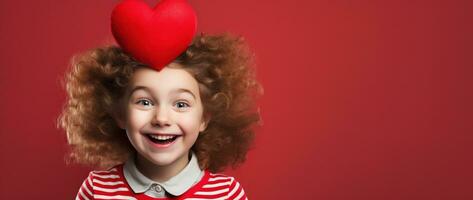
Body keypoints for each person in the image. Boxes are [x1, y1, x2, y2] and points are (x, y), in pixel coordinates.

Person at [58, 1, 262, 199]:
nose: (162, 118)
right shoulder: (97, 189)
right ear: (120, 113)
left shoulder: (226, 194)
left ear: (204, 118)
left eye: (181, 104)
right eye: (145, 102)